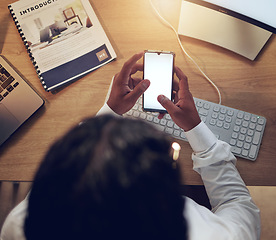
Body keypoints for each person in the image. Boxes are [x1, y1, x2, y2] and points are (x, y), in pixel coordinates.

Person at [0, 52, 261, 240]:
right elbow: (237, 203)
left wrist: (110, 112)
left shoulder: (19, 227)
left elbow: (58, 179)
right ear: (167, 197)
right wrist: (195, 129)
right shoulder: (210, 234)